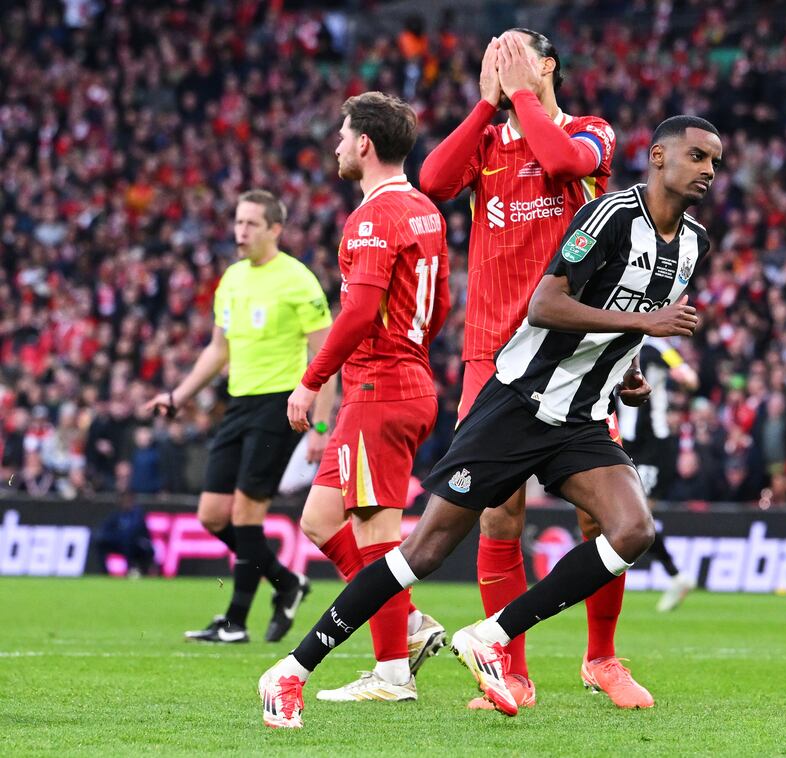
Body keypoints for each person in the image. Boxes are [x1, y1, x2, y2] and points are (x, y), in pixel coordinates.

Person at [257, 115, 721, 727]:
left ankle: (492, 636)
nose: (708, 171)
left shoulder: (693, 244)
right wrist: (644, 326)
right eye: (697, 156)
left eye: (715, 162)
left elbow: (624, 308)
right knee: (423, 550)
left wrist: (626, 367)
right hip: (518, 403)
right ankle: (290, 671)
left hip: (580, 416)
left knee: (633, 530)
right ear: (658, 157)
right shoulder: (608, 215)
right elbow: (546, 304)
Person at [418, 28, 636, 710]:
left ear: (547, 66)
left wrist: (521, 94)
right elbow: (433, 182)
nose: (499, 64)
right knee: (498, 515)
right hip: (490, 355)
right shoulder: (486, 142)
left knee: (600, 518)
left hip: (572, 357)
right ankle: (510, 672)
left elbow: (564, 163)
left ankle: (602, 658)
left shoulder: (591, 132)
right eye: (491, 56)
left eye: (511, 54)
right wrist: (489, 103)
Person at [284, 92, 451, 702]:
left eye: (342, 134)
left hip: (381, 388)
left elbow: (357, 312)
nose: (336, 145)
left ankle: (391, 674)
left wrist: (310, 380)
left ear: (364, 144)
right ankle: (406, 622)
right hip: (399, 381)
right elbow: (441, 303)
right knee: (319, 519)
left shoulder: (374, 217)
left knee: (376, 531)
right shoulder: (425, 210)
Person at [144, 190, 336, 643]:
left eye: (251, 223)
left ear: (275, 229)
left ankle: (235, 622)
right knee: (212, 515)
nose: (240, 232)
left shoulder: (298, 280)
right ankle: (287, 583)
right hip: (239, 403)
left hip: (279, 405)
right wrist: (177, 396)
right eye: (237, 222)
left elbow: (327, 359)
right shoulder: (231, 279)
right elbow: (218, 349)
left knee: (248, 512)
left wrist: (321, 427)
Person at [616, 338, 699, 612]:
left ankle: (676, 574)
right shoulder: (614, 338)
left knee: (637, 516)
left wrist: (683, 376)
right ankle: (677, 575)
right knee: (623, 516)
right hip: (624, 441)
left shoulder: (657, 347)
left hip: (654, 444)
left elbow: (690, 378)